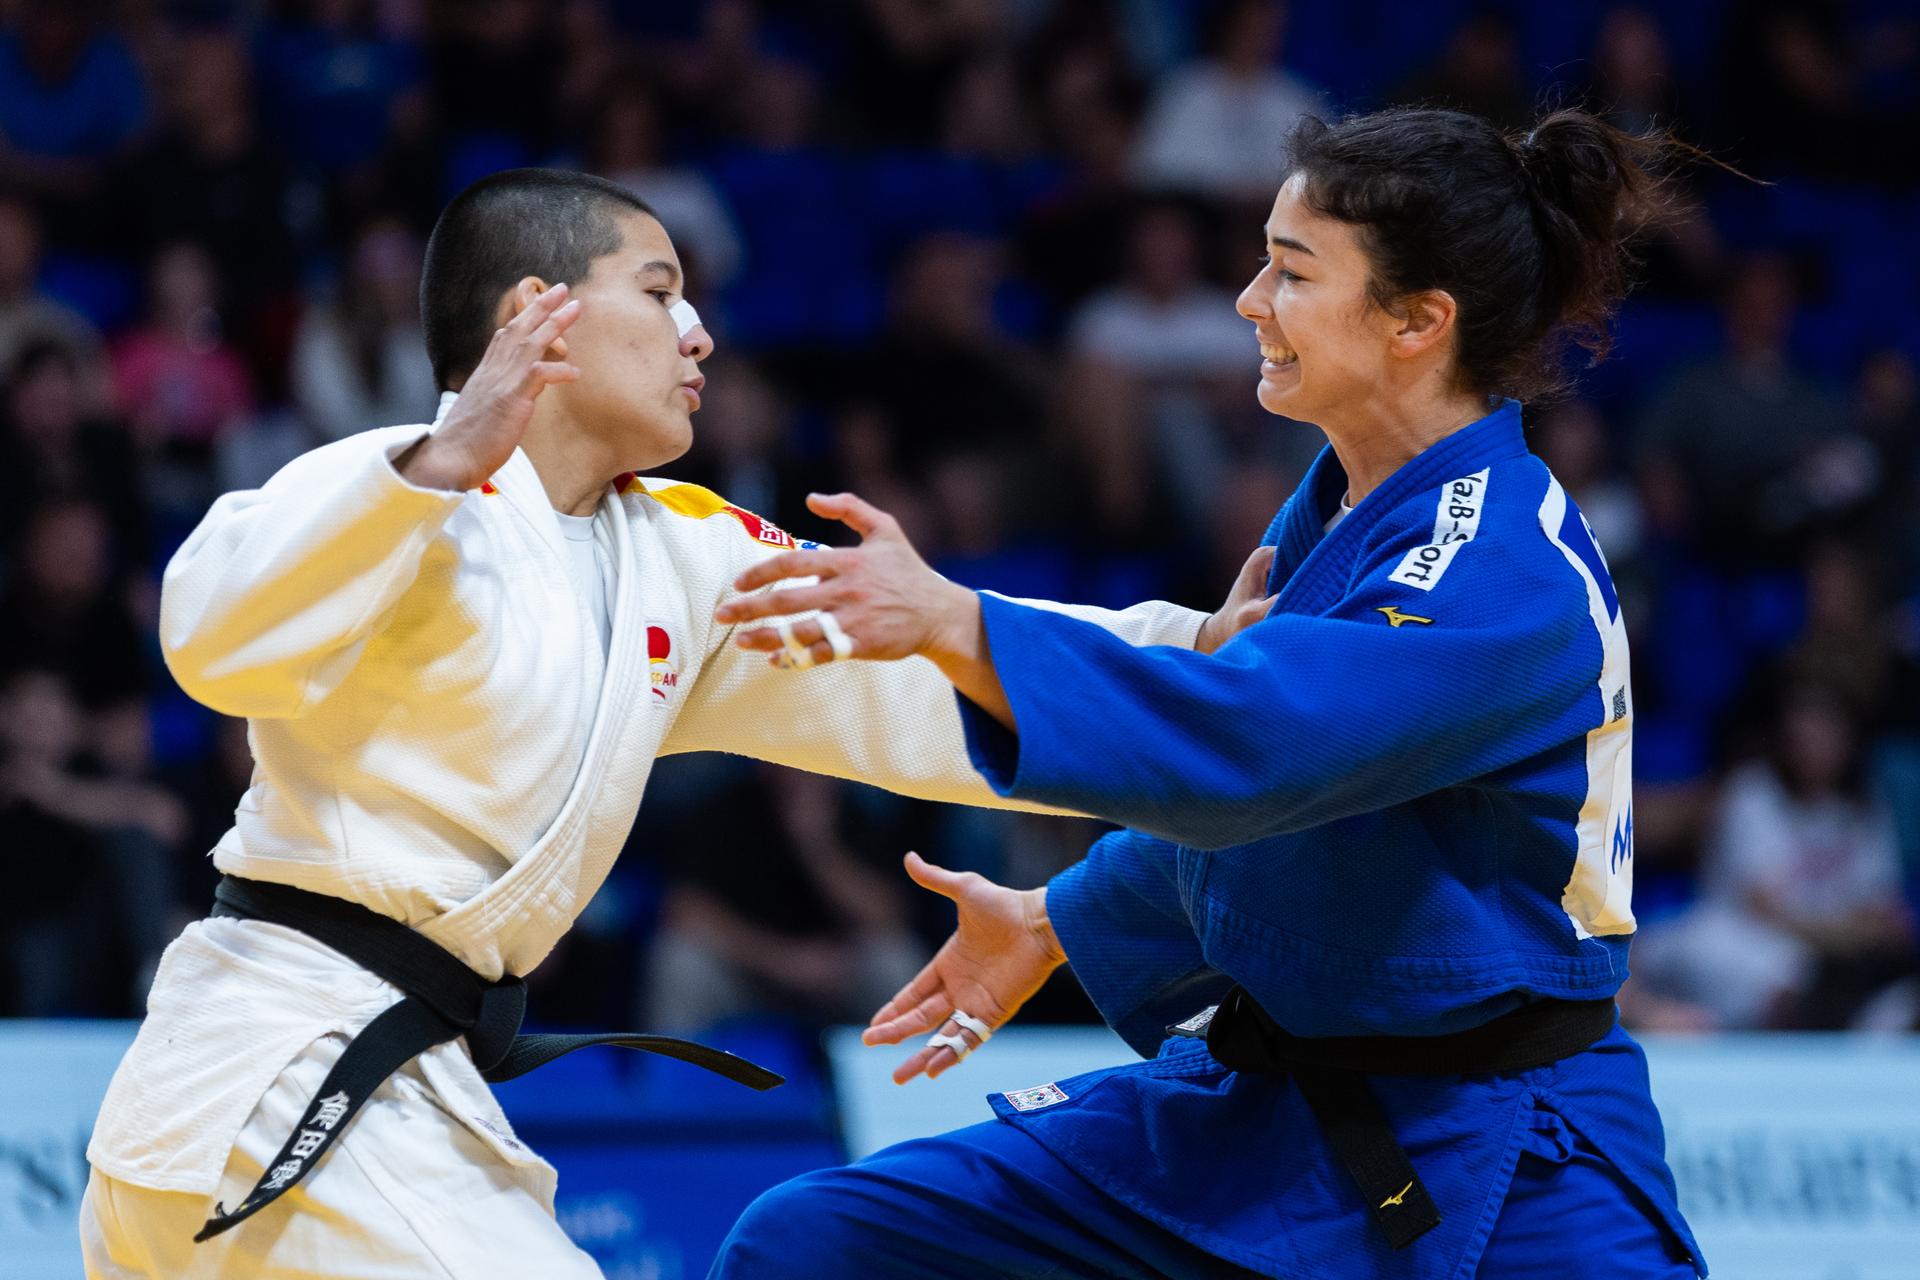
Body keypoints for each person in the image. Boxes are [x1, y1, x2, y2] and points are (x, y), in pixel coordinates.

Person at [78, 168, 1264, 1279]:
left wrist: (1204, 659)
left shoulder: (681, 558)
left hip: (377, 1091)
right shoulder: (396, 488)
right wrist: (438, 462)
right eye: (658, 291)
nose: (699, 331)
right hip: (281, 1072)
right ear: (540, 318)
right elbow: (212, 635)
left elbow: (930, 669)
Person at [709, 108, 1710, 1278]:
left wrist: (958, 620)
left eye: (1291, 272)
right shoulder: (1342, 501)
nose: (1248, 301)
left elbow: (1259, 748)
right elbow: (1293, 833)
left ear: (1417, 321)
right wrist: (1058, 920)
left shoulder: (1505, 569)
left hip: (1502, 1150)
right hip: (1264, 1102)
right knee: (815, 1244)